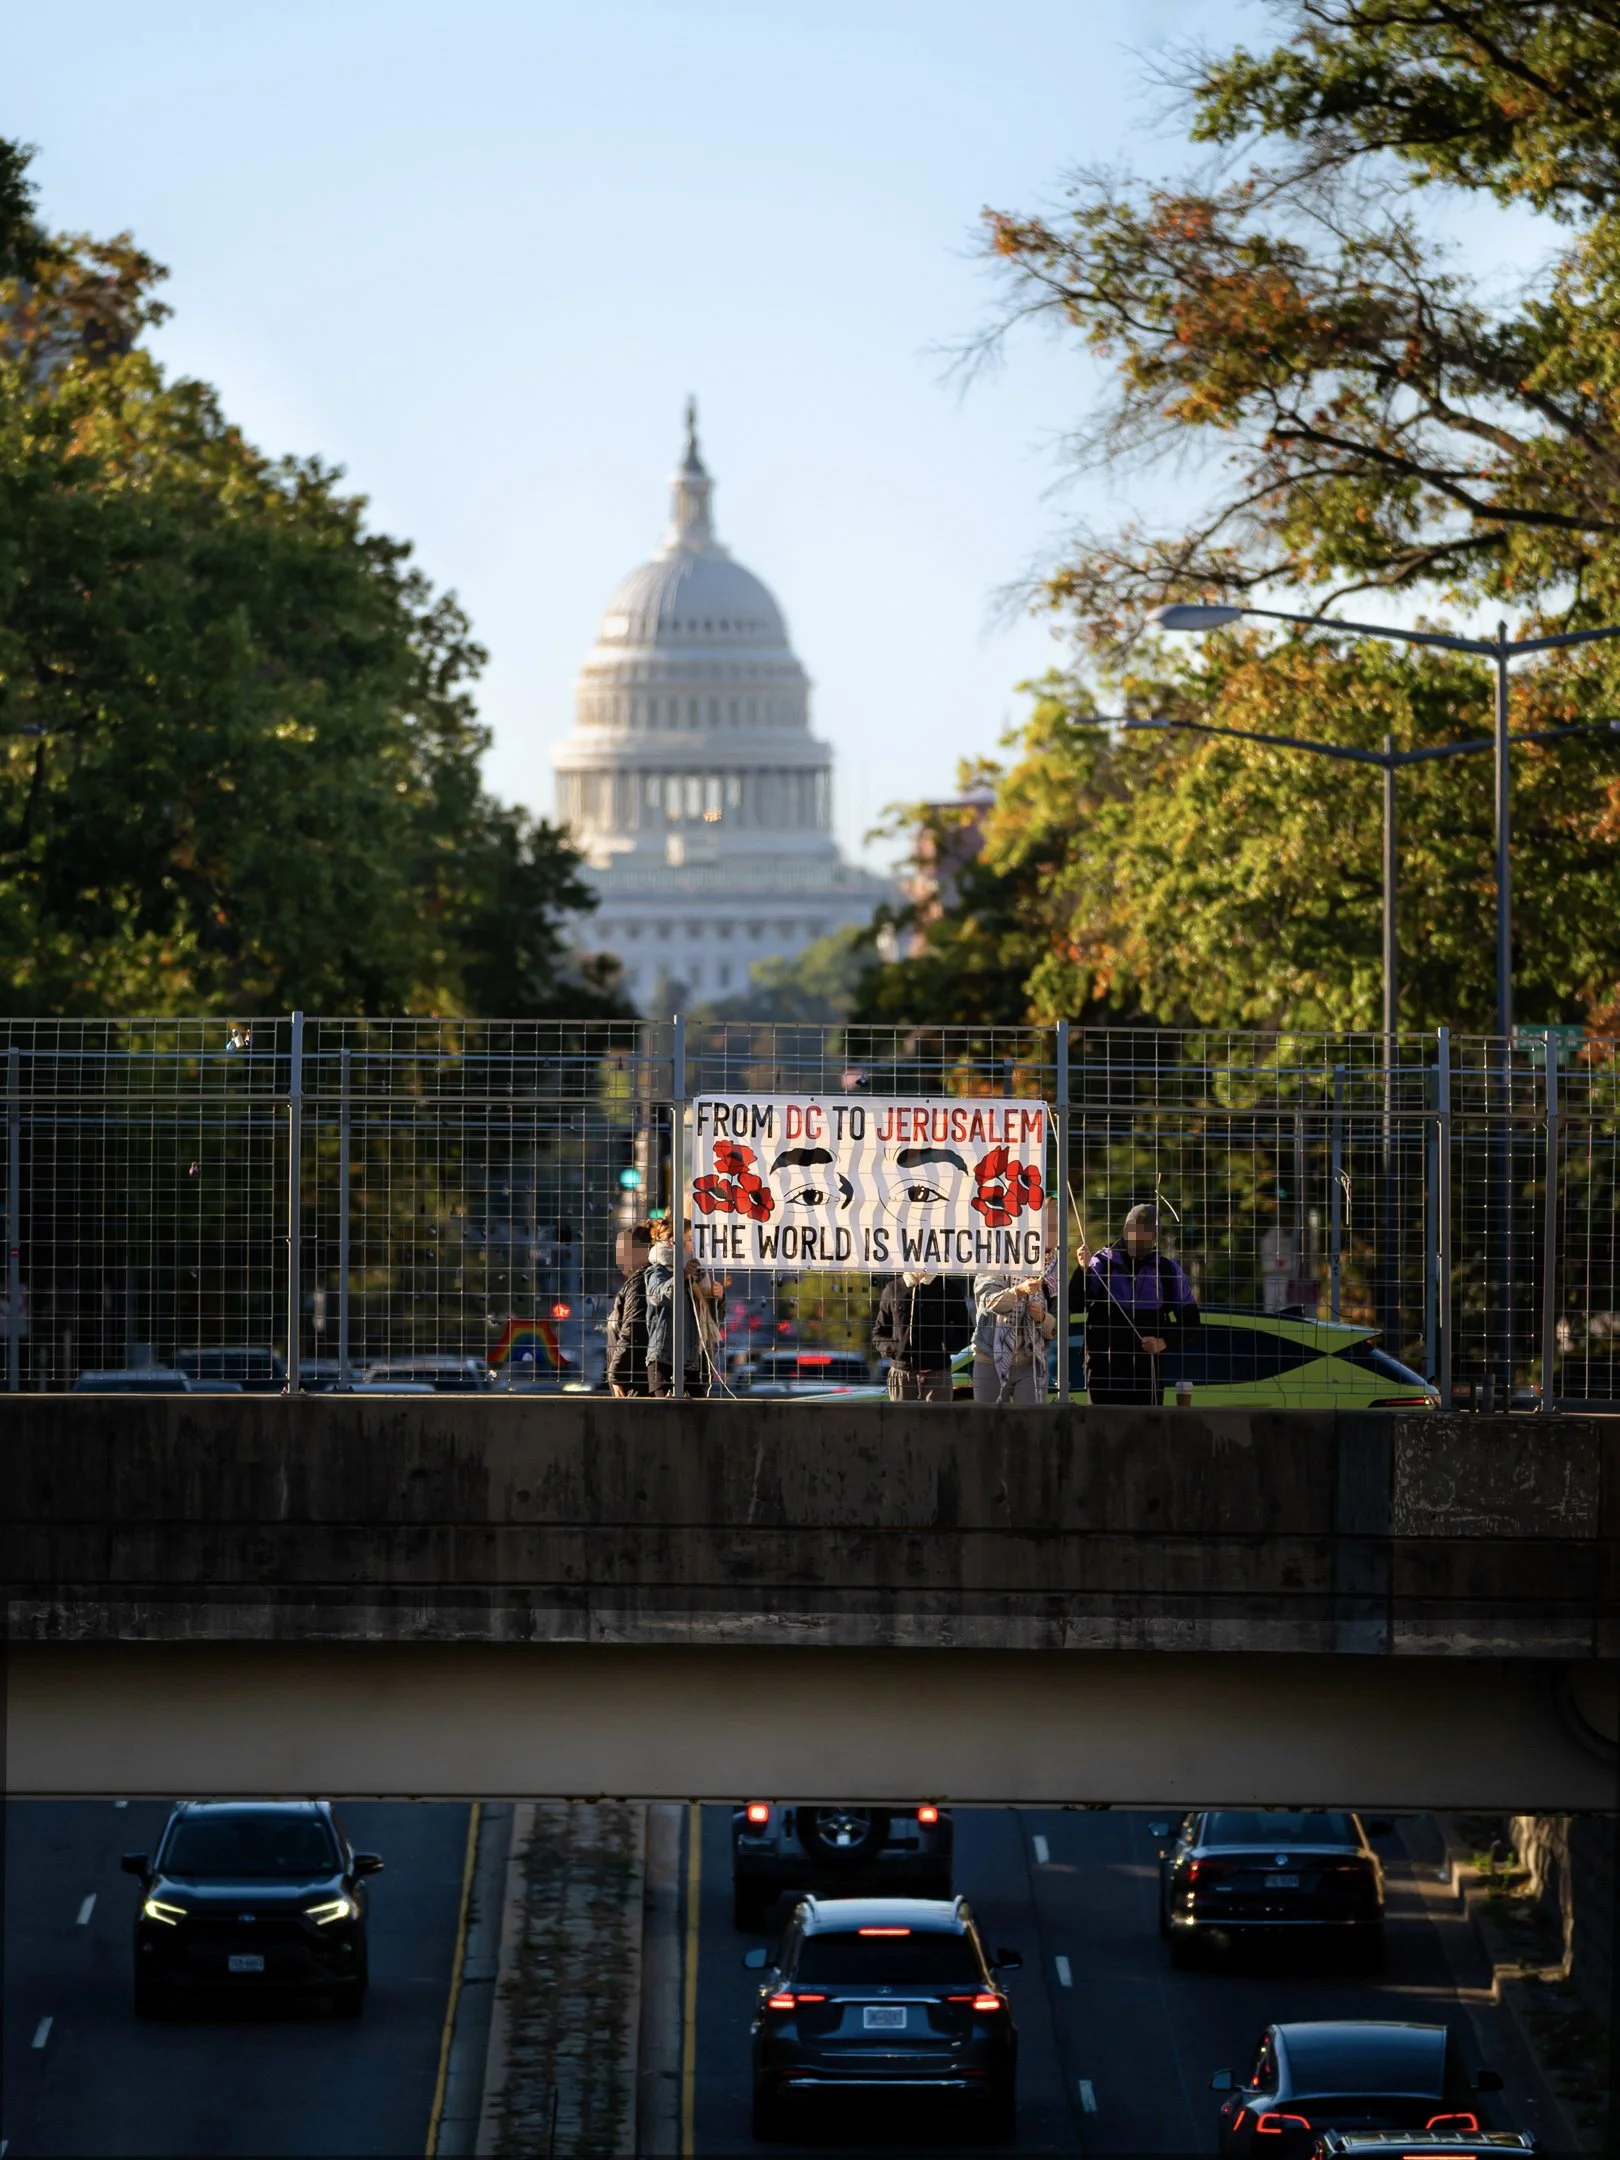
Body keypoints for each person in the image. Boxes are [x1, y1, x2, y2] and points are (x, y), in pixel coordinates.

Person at [1074, 1202, 1199, 1405]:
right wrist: (1082, 1271)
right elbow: (1076, 1303)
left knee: (1146, 1433)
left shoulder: (1167, 1271)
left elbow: (1192, 1322)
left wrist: (1163, 1342)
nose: (1138, 1238)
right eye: (1134, 1232)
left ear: (1155, 1236)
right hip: (1102, 1372)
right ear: (1125, 1230)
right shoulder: (1101, 1263)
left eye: (1146, 1233)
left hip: (1147, 1374)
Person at [972, 1210, 1060, 1404]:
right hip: (989, 1359)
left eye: (1054, 1228)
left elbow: (1061, 1321)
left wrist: (1044, 1318)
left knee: (1030, 1427)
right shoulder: (996, 1258)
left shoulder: (1056, 1270)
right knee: (988, 1427)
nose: (1050, 1233)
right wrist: (1018, 1291)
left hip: (1031, 1362)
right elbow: (988, 1302)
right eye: (1044, 1227)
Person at [645, 1222, 723, 1397]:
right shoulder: (658, 1270)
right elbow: (657, 1296)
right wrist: (682, 1276)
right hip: (666, 1358)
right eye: (690, 1239)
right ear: (674, 1242)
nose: (694, 1245)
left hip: (696, 1358)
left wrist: (717, 1298)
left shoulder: (700, 1275)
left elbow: (714, 1321)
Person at [873, 1271, 973, 1402]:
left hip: (938, 1374)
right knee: (902, 1421)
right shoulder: (893, 1289)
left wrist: (946, 1347)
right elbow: (878, 1334)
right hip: (902, 1374)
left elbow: (966, 1330)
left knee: (937, 1422)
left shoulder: (948, 1288)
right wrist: (896, 1349)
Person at [605, 1221, 654, 1397]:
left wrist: (618, 1374)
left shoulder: (641, 1282)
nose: (621, 1258)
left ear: (646, 1252)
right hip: (637, 1380)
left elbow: (634, 1328)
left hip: (638, 1383)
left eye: (627, 1251)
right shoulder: (638, 1282)